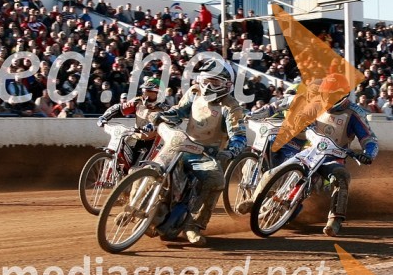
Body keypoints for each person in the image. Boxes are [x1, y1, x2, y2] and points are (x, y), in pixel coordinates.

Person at [253, 73, 377, 236]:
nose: (326, 97)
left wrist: (368, 154)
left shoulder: (354, 113)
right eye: (324, 93)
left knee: (341, 176)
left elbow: (369, 138)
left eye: (330, 94)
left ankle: (335, 220)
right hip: (310, 151)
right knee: (272, 172)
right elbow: (295, 112)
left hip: (333, 157)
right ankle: (254, 201)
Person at [152, 59, 246, 246]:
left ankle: (194, 225)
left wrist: (230, 152)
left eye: (215, 82)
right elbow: (179, 111)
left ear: (227, 85)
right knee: (155, 167)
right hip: (183, 143)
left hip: (208, 154)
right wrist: (163, 116)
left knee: (216, 180)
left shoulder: (231, 107)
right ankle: (134, 205)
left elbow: (240, 137)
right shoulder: (194, 93)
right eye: (205, 80)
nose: (208, 86)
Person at [97, 78, 167, 164]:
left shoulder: (164, 109)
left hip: (151, 141)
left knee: (136, 168)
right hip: (135, 136)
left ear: (159, 93)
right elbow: (119, 108)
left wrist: (154, 126)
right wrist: (104, 117)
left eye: (149, 92)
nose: (145, 95)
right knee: (121, 153)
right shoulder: (138, 101)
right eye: (144, 91)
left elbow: (169, 120)